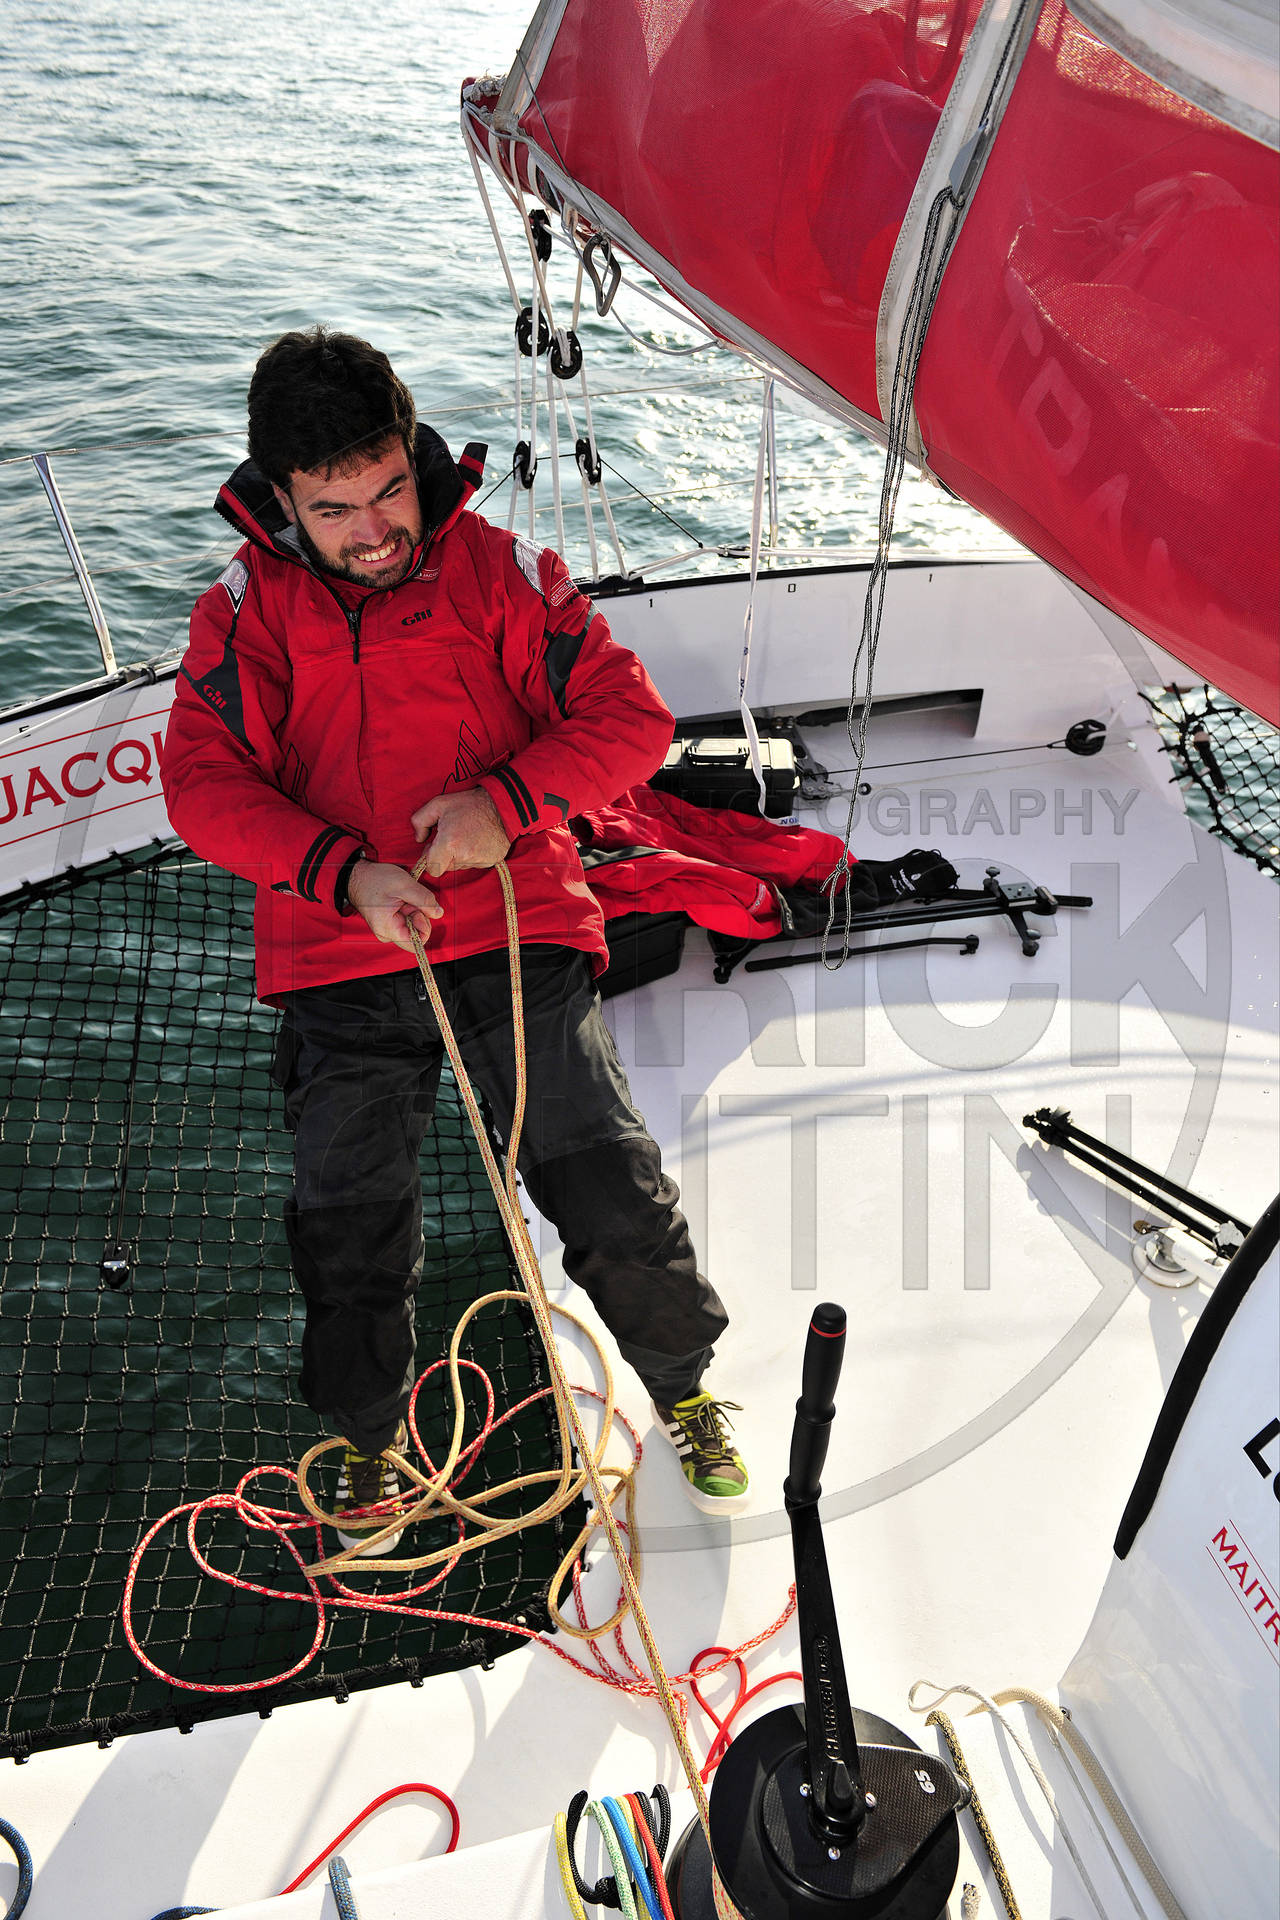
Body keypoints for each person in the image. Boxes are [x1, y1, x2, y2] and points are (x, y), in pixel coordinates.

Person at [161, 326, 747, 1548]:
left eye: (388, 492)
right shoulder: (241, 610)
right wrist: (343, 873)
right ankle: (367, 1442)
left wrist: (505, 804)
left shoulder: (500, 570)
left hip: (515, 917)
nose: (374, 532)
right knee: (348, 1222)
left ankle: (685, 1391)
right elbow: (202, 789)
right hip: (339, 939)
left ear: (411, 454)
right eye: (333, 511)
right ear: (281, 499)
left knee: (603, 1179)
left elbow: (629, 721)